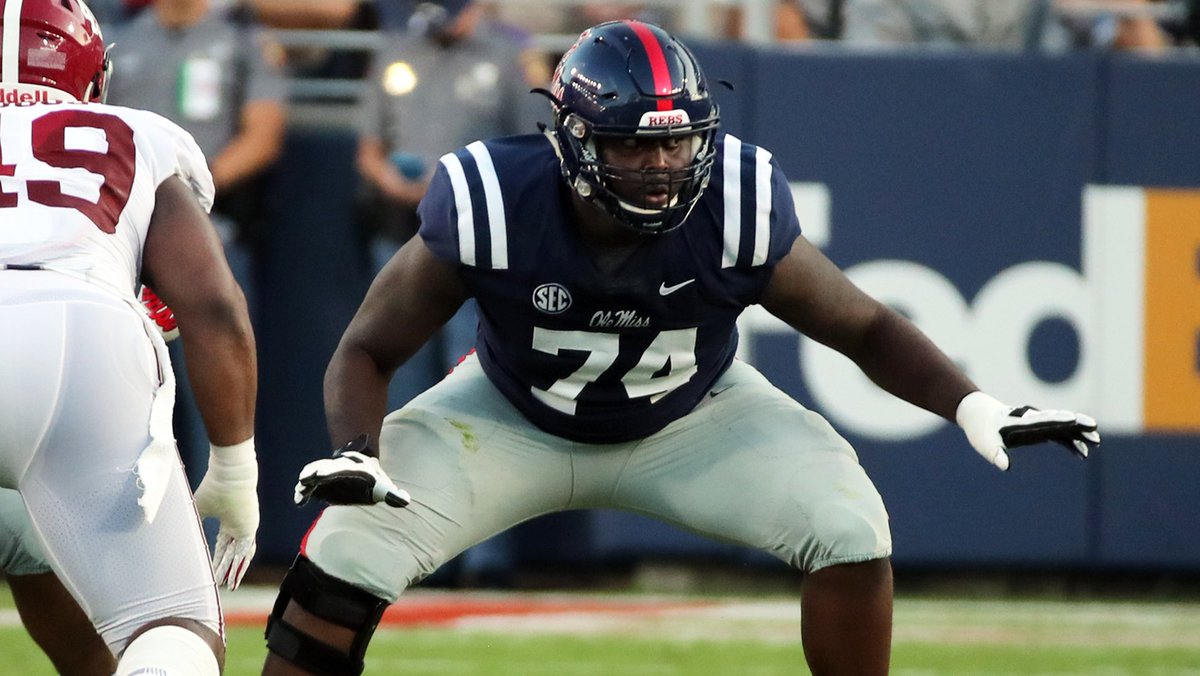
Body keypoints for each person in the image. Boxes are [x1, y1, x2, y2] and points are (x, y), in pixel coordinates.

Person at [261, 20, 1099, 675]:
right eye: (632, 143)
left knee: (849, 527)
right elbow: (367, 348)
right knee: (344, 553)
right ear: (572, 138)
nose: (661, 164)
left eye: (676, 140)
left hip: (693, 419)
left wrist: (972, 404)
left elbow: (866, 326)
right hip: (510, 416)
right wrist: (357, 450)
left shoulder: (735, 201)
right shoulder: (494, 200)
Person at [0, 0, 260, 673]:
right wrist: (235, 468)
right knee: (170, 627)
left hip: (71, 333)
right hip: (74, 334)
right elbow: (213, 305)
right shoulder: (134, 133)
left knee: (37, 561)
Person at [105, 0, 286, 484]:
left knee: (218, 385)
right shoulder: (119, 41)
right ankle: (127, 515)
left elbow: (263, 135)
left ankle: (222, 511)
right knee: (121, 387)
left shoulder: (241, 40)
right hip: (120, 237)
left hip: (208, 229)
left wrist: (182, 192)